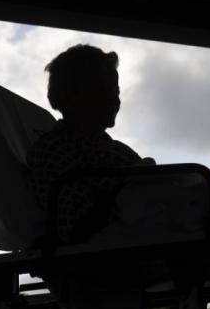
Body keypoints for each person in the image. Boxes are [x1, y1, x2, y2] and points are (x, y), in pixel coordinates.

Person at [27, 44, 155, 244]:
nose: (115, 99)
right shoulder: (52, 149)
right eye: (103, 90)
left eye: (116, 91)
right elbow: (75, 228)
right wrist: (127, 190)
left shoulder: (119, 150)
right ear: (69, 97)